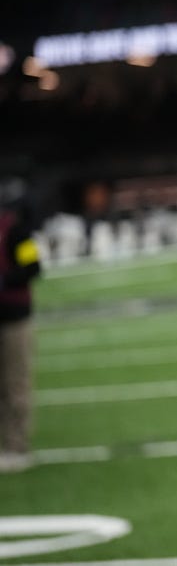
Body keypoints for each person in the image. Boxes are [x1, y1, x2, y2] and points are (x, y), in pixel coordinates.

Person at [0, 176, 42, 473]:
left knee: (16, 383)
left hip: (14, 318)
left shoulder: (17, 231)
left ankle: (16, 447)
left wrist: (3, 282)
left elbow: (33, 268)